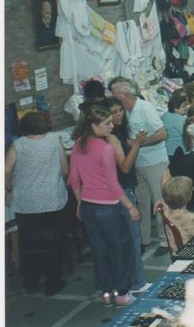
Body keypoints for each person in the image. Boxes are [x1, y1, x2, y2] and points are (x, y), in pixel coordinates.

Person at [68, 105, 140, 306]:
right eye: (107, 123)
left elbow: (74, 179)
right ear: (94, 125)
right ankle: (122, 293)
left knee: (99, 250)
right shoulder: (105, 148)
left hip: (88, 206)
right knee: (122, 248)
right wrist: (131, 207)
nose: (111, 126)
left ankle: (106, 292)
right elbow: (112, 184)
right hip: (108, 207)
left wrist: (79, 202)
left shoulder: (78, 144)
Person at [5, 112, 69, 296]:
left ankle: (31, 283)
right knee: (53, 243)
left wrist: (8, 188)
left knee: (28, 244)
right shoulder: (54, 141)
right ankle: (52, 283)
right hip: (52, 200)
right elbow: (65, 170)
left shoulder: (18, 144)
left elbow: (6, 170)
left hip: (26, 203)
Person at [111, 79, 169, 256]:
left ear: (125, 95)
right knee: (142, 203)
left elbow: (162, 134)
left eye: (115, 95)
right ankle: (144, 239)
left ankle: (165, 240)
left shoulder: (144, 108)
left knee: (160, 201)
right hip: (138, 164)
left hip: (154, 162)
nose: (112, 98)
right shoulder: (126, 113)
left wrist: (139, 143)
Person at [103, 97, 150, 293]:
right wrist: (137, 144)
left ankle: (124, 282)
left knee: (123, 239)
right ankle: (138, 283)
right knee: (132, 237)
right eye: (113, 112)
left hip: (116, 191)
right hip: (122, 190)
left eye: (120, 110)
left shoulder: (116, 135)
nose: (118, 115)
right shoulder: (111, 138)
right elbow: (125, 167)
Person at [161, 176, 194, 252]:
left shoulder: (166, 211)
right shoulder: (189, 217)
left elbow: (185, 222)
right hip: (191, 252)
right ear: (188, 197)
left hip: (176, 249)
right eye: (191, 189)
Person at [161, 89, 190, 163]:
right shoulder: (180, 119)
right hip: (179, 151)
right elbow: (188, 134)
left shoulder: (166, 115)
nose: (186, 108)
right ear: (176, 108)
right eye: (183, 106)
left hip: (168, 151)